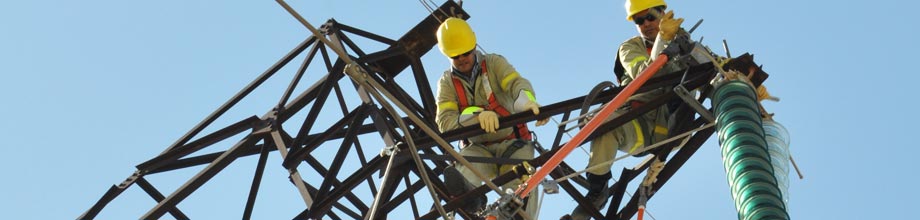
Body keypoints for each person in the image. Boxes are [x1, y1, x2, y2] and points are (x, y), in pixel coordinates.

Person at [569, 0, 685, 219]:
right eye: (639, 21)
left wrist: (748, 82)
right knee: (605, 125)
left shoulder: (684, 43)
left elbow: (716, 66)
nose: (646, 24)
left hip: (673, 128)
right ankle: (598, 188)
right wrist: (663, 40)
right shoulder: (630, 48)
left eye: (650, 17)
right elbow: (645, 74)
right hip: (638, 122)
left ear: (663, 13)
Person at [434, 17, 549, 218]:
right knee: (466, 168)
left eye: (465, 53)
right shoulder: (447, 83)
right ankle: (471, 198)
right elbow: (445, 122)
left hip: (513, 143)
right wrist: (476, 116)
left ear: (474, 46)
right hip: (478, 148)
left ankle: (514, 213)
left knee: (521, 182)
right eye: (455, 56)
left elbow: (515, 84)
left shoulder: (494, 63)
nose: (462, 59)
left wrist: (527, 102)